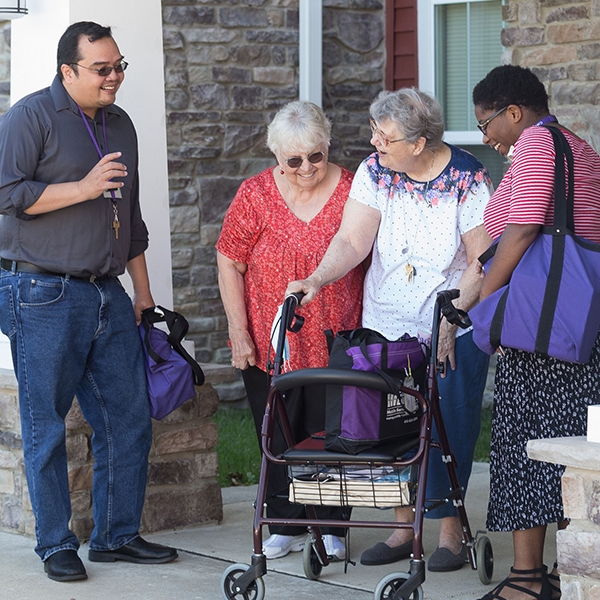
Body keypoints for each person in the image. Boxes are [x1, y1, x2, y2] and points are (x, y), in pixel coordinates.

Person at [287, 88, 493, 572]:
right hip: (385, 324)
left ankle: (450, 532)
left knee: (448, 428)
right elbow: (353, 238)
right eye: (374, 132)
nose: (375, 142)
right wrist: (317, 278)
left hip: (448, 325)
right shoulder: (375, 170)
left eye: (386, 136)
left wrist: (452, 317)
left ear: (419, 143)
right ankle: (404, 528)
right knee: (391, 428)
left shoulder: (467, 178)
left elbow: (481, 260)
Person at [0, 22, 177, 582]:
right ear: (67, 71)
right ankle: (55, 544)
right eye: (102, 69)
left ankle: (116, 535)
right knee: (46, 425)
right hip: (41, 292)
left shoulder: (120, 122)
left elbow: (133, 219)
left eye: (120, 65)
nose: (115, 77)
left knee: (128, 419)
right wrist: (83, 186)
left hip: (110, 292)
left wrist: (144, 295)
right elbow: (6, 195)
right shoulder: (29, 116)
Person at [472, 65, 600, 600]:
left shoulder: (534, 144)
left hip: (539, 326)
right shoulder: (579, 145)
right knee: (572, 450)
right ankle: (566, 571)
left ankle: (527, 580)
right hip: (577, 327)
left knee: (528, 442)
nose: (486, 138)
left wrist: (485, 298)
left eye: (487, 124)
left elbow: (522, 229)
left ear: (515, 112)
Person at [216, 100, 364, 561]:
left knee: (331, 432)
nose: (306, 168)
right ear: (276, 157)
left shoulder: (355, 190)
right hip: (271, 339)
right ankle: (283, 519)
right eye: (293, 160)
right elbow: (229, 259)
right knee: (277, 431)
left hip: (334, 336)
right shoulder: (255, 193)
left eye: (315, 156)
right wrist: (239, 332)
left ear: (327, 145)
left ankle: (331, 526)